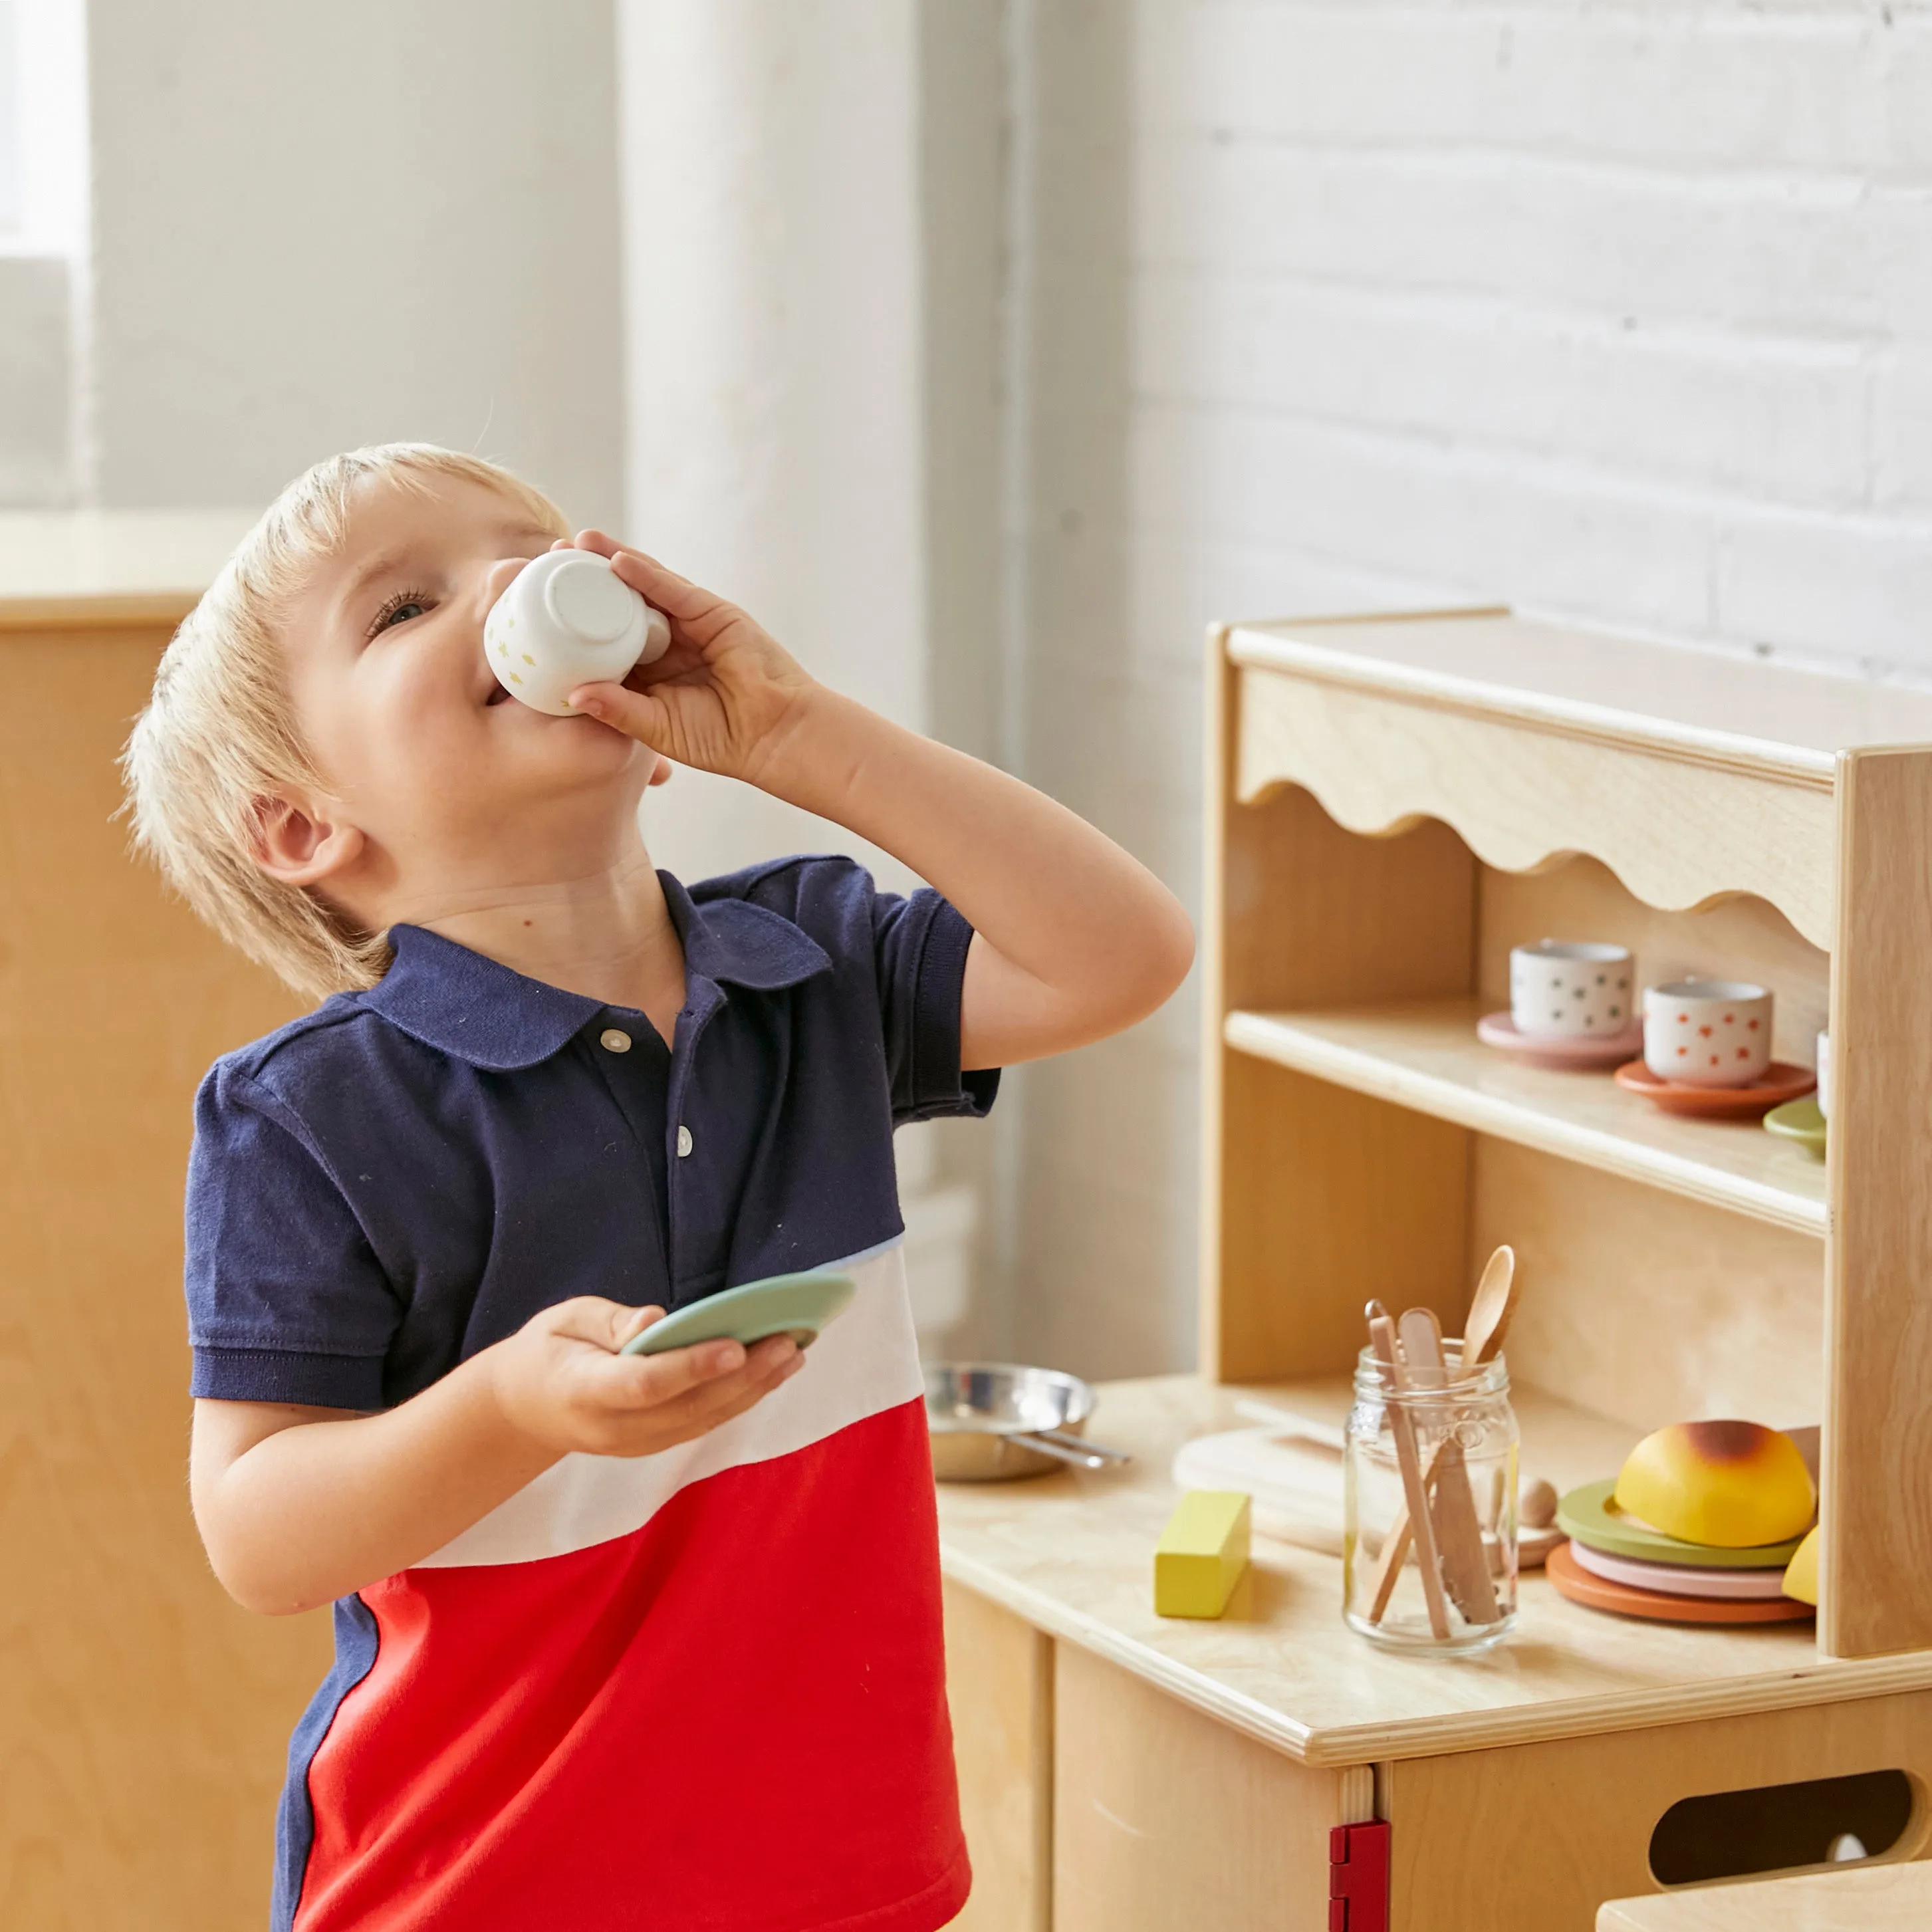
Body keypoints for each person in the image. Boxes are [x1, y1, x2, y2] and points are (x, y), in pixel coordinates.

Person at [124, 443, 1193, 1932]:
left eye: (533, 546)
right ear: (306, 824)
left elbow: (1122, 954)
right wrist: (506, 1409)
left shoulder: (811, 969)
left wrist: (800, 732)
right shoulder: (307, 1113)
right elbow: (259, 1532)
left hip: (834, 1874)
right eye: (406, 604)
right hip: (476, 1886)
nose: (512, 584)